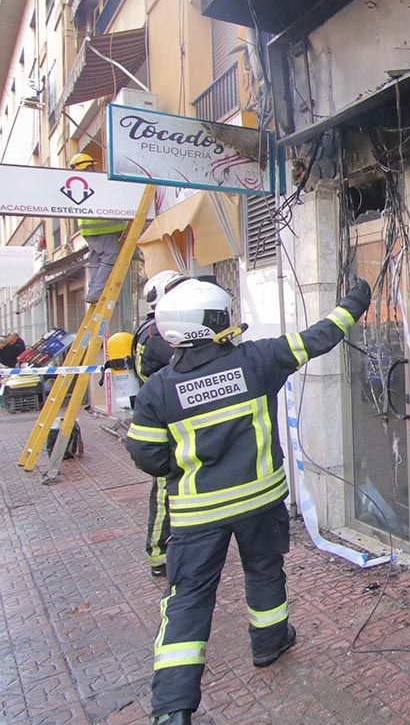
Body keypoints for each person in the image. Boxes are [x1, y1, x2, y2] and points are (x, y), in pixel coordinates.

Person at [125, 276, 372, 725]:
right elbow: (319, 337)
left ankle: (173, 709)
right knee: (263, 571)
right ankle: (270, 641)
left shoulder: (157, 390)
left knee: (188, 599)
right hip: (260, 502)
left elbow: (146, 455)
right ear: (212, 322)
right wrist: (355, 302)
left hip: (196, 514)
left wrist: (187, 469)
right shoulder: (256, 360)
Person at [133, 270, 186, 578]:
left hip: (170, 418)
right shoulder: (159, 334)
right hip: (166, 425)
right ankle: (158, 552)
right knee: (165, 490)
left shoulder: (156, 329)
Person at [69, 153, 126, 305]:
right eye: (93, 165)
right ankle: (97, 292)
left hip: (89, 232)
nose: (96, 168)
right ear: (89, 166)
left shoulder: (77, 182)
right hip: (104, 229)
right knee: (111, 257)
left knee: (96, 262)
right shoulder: (94, 181)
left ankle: (94, 292)